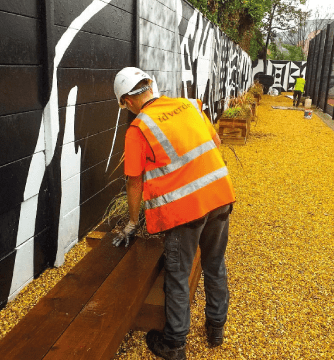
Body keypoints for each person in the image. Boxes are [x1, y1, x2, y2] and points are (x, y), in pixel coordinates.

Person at [113, 67, 236, 360]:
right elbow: (214, 144)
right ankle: (216, 329)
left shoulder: (138, 129)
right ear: (151, 86)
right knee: (215, 265)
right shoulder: (189, 105)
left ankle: (174, 344)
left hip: (185, 212)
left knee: (178, 276)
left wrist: (132, 222)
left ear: (127, 103)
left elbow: (134, 181)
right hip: (220, 196)